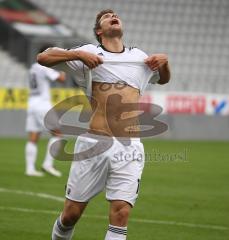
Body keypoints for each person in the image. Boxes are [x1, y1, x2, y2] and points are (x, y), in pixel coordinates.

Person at [37, 9, 170, 240]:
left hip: (130, 148)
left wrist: (165, 63)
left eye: (115, 14)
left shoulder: (139, 56)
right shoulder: (89, 53)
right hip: (93, 144)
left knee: (121, 213)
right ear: (100, 30)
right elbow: (43, 57)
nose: (113, 16)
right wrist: (76, 54)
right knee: (71, 215)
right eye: (106, 17)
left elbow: (163, 78)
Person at [25, 46, 66, 177]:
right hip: (42, 105)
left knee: (33, 137)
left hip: (32, 104)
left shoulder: (32, 67)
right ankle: (47, 165)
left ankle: (30, 169)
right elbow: (61, 79)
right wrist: (63, 70)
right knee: (58, 133)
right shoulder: (43, 67)